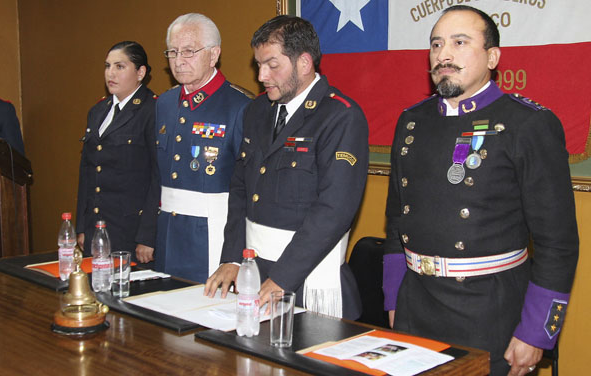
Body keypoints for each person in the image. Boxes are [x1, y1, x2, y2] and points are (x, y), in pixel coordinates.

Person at [382, 6, 578, 375]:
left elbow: (558, 243)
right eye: (436, 44)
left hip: (489, 313)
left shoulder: (528, 124)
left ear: (492, 57)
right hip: (414, 306)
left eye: (460, 42)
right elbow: (395, 223)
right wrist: (394, 297)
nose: (444, 54)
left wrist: (536, 332)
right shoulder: (411, 122)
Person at [204, 15, 367, 320]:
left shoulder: (340, 117)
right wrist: (232, 259)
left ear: (304, 63)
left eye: (272, 65)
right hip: (255, 271)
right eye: (258, 65)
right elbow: (240, 190)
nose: (262, 75)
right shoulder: (256, 111)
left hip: (304, 277)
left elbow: (333, 210)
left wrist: (283, 278)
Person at [154, 13, 252, 283]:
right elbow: (154, 174)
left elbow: (249, 186)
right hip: (167, 230)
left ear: (213, 54)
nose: (178, 59)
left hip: (212, 232)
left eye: (189, 51)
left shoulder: (240, 106)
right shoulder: (164, 103)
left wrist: (234, 255)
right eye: (172, 51)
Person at [76, 41, 159, 265]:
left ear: (140, 72)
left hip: (129, 230)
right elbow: (87, 172)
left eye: (120, 66)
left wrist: (148, 236)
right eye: (107, 66)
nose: (110, 73)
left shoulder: (152, 110)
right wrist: (83, 226)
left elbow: (157, 178)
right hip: (97, 226)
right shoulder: (98, 111)